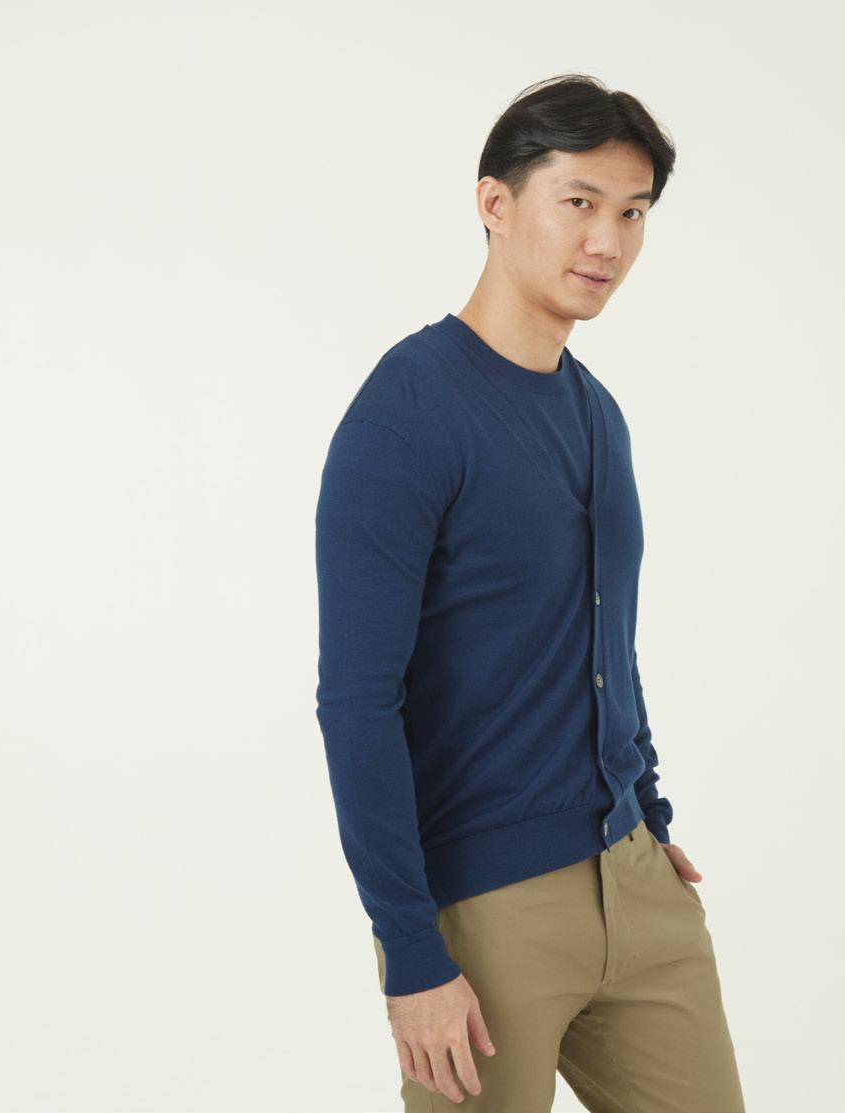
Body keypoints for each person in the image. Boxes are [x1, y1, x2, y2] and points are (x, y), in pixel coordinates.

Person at [315, 73, 745, 1111]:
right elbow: (357, 703)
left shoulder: (598, 415)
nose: (608, 241)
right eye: (579, 202)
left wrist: (646, 807)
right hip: (486, 910)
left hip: (635, 884)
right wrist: (410, 948)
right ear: (495, 203)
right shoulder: (406, 415)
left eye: (633, 212)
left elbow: (606, 639)